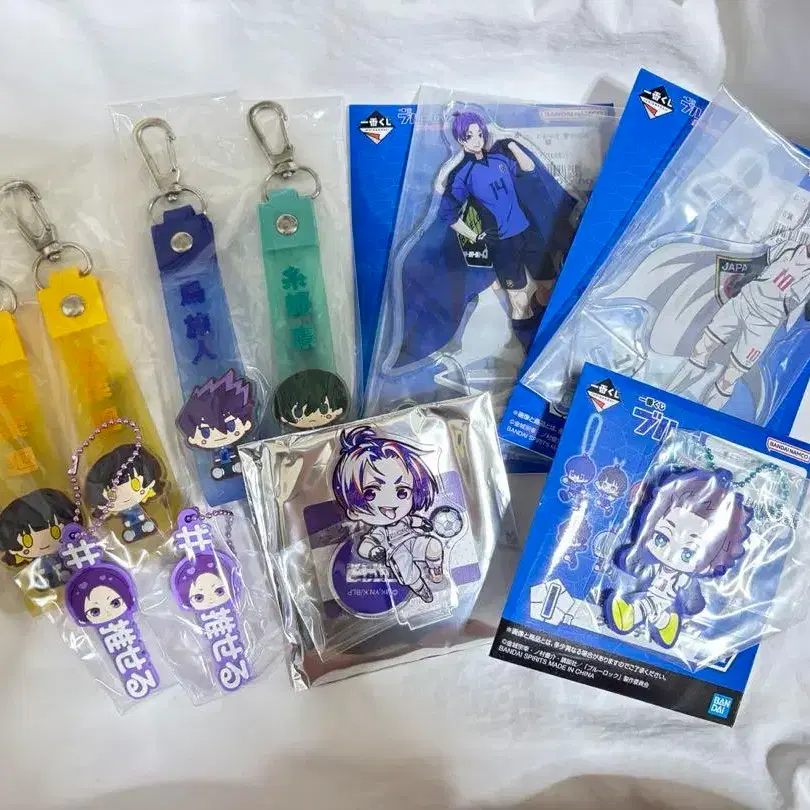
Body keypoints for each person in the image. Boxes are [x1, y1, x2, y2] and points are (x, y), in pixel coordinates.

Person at [604, 468, 751, 649]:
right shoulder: (652, 565)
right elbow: (631, 563)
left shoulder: (686, 579)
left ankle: (638, 619)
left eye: (688, 553)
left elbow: (693, 601)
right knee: (653, 609)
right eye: (662, 538)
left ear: (712, 561)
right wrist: (632, 559)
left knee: (652, 607)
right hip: (650, 593)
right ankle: (665, 624)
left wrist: (692, 603)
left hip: (665, 600)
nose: (671, 553)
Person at [332, 426, 442, 603]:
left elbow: (413, 521)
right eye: (371, 493)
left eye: (401, 491)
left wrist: (422, 524)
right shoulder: (380, 532)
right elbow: (365, 546)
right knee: (408, 575)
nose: (390, 500)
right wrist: (373, 551)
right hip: (396, 553)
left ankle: (435, 568)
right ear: (353, 511)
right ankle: (420, 588)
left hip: (414, 542)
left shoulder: (405, 519)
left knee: (434, 545)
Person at [176, 368, 255, 479]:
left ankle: (234, 468)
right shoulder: (215, 452)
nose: (220, 434)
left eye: (231, 426)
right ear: (192, 438)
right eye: (205, 432)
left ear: (246, 424)